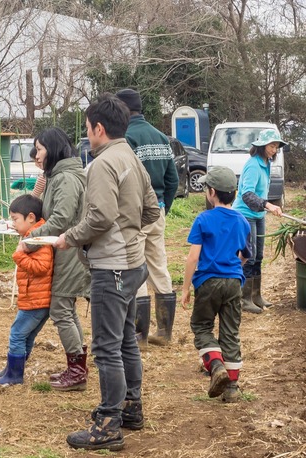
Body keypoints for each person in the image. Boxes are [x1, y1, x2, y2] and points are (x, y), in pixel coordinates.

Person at [55, 93, 160, 451]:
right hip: (133, 265)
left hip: (111, 269)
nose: (87, 135)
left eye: (87, 129)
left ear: (99, 128)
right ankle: (132, 407)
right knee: (126, 340)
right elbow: (152, 210)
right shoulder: (130, 156)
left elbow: (99, 217)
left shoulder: (102, 164)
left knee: (106, 347)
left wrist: (70, 238)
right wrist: (130, 235)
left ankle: (108, 423)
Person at [181, 166, 251, 403]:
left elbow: (193, 257)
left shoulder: (203, 219)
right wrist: (234, 270)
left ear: (211, 192)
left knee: (201, 327)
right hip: (233, 282)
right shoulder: (242, 221)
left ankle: (216, 365)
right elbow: (245, 255)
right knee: (230, 332)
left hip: (208, 282)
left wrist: (185, 288)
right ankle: (231, 387)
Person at [27, 127, 90, 392]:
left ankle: (77, 371)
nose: (37, 155)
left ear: (52, 149)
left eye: (40, 149)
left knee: (60, 308)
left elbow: (62, 218)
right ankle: (78, 366)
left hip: (70, 251)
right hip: (66, 249)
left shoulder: (65, 178)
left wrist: (32, 237)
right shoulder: (59, 175)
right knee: (66, 306)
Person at [116, 88, 179, 347]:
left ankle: (139, 335)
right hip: (159, 210)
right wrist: (164, 206)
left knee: (137, 266)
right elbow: (173, 179)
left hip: (136, 212)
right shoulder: (161, 137)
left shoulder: (127, 138)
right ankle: (164, 333)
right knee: (158, 264)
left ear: (123, 110)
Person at [0, 194, 54, 386]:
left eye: (15, 219)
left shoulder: (38, 238)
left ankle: (14, 375)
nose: (12, 223)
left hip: (36, 300)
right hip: (35, 298)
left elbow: (42, 268)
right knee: (26, 335)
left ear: (31, 218)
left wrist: (19, 256)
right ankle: (12, 368)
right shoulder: (32, 235)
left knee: (17, 333)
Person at [232, 129, 285, 314]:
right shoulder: (253, 165)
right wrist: (268, 205)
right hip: (245, 214)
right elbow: (246, 194)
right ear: (262, 146)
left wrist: (265, 208)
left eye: (276, 146)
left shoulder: (266, 163)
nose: (275, 150)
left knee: (259, 256)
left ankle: (256, 296)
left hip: (258, 215)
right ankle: (244, 299)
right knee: (250, 255)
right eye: (272, 146)